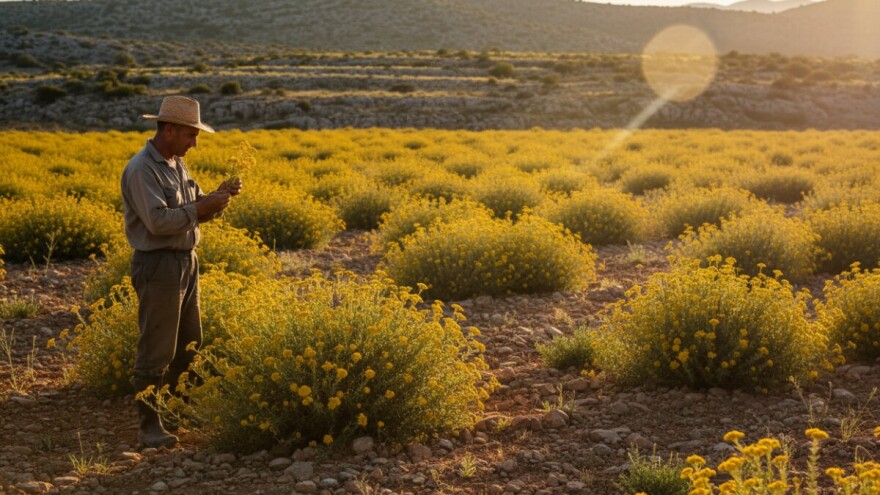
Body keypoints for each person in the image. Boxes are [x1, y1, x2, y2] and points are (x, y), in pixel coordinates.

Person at [121, 95, 241, 448]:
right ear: (169, 130)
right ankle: (149, 426)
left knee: (190, 342)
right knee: (157, 348)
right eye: (191, 135)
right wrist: (203, 207)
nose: (194, 143)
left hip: (185, 261)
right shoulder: (142, 169)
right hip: (158, 265)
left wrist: (218, 198)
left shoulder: (176, 164)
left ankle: (176, 410)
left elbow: (192, 208)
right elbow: (158, 222)